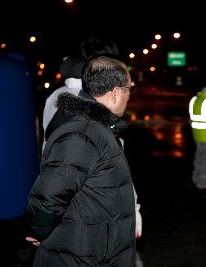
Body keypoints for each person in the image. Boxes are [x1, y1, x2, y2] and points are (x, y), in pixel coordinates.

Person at [26, 56, 136, 266]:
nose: (129, 95)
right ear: (114, 93)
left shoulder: (96, 127)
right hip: (81, 253)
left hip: (91, 248)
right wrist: (38, 230)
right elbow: (51, 189)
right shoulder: (83, 132)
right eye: (128, 89)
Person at [40, 37, 142, 240]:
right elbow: (67, 171)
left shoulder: (61, 96)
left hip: (78, 214)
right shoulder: (87, 107)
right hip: (89, 217)